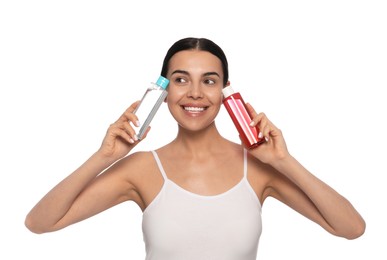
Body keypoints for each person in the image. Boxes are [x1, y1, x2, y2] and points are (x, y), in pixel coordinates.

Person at [25, 37, 366, 259]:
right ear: (163, 91)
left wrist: (284, 161)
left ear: (226, 92)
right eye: (181, 79)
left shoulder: (259, 168)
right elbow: (40, 223)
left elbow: (351, 228)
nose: (195, 94)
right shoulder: (141, 169)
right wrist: (105, 157)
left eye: (209, 81)